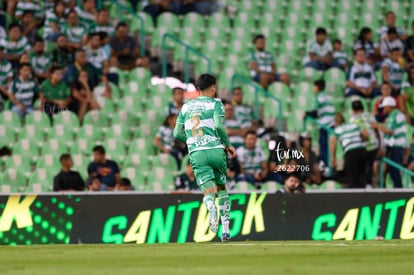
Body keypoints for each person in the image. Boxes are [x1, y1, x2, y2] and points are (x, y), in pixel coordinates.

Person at [173, 74, 236, 241]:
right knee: (222, 188)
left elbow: (177, 133)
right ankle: (226, 231)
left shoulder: (186, 107)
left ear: (198, 88)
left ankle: (211, 208)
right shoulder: (216, 103)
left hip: (197, 152)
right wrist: (228, 144)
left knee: (208, 191)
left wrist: (193, 141)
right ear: (213, 87)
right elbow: (218, 126)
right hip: (216, 149)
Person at [371, 97, 408, 188]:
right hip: (397, 146)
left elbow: (389, 131)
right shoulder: (397, 115)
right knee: (392, 171)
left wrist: (377, 126)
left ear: (389, 107)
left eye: (384, 107)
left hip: (395, 146)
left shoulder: (394, 115)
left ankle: (398, 191)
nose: (383, 109)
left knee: (394, 172)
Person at [330, 112, 369, 188]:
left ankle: (355, 198)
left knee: (352, 178)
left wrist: (333, 158)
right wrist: (361, 140)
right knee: (362, 176)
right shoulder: (354, 126)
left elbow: (332, 141)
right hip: (362, 150)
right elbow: (366, 134)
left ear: (335, 122)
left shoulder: (337, 130)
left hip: (350, 152)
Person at [305, 79, 335, 167]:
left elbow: (315, 112)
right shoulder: (329, 97)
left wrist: (306, 114)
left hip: (324, 124)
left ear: (317, 87)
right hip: (331, 123)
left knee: (323, 145)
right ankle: (328, 165)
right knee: (329, 146)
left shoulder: (317, 97)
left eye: (314, 87)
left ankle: (325, 164)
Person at [350, 100, 380, 186]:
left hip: (362, 146)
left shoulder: (353, 119)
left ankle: (365, 184)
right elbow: (377, 130)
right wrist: (380, 146)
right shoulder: (370, 116)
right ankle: (369, 183)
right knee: (370, 166)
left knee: (362, 167)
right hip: (374, 145)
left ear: (353, 110)